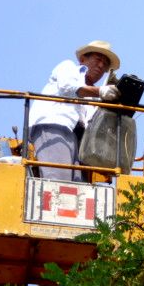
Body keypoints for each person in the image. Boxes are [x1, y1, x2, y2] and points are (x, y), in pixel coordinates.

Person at [29, 40, 121, 181]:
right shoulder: (69, 67)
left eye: (105, 64)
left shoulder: (95, 98)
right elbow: (68, 87)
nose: (101, 65)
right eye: (98, 59)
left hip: (77, 139)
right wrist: (100, 91)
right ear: (83, 59)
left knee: (78, 184)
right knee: (59, 179)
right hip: (54, 126)